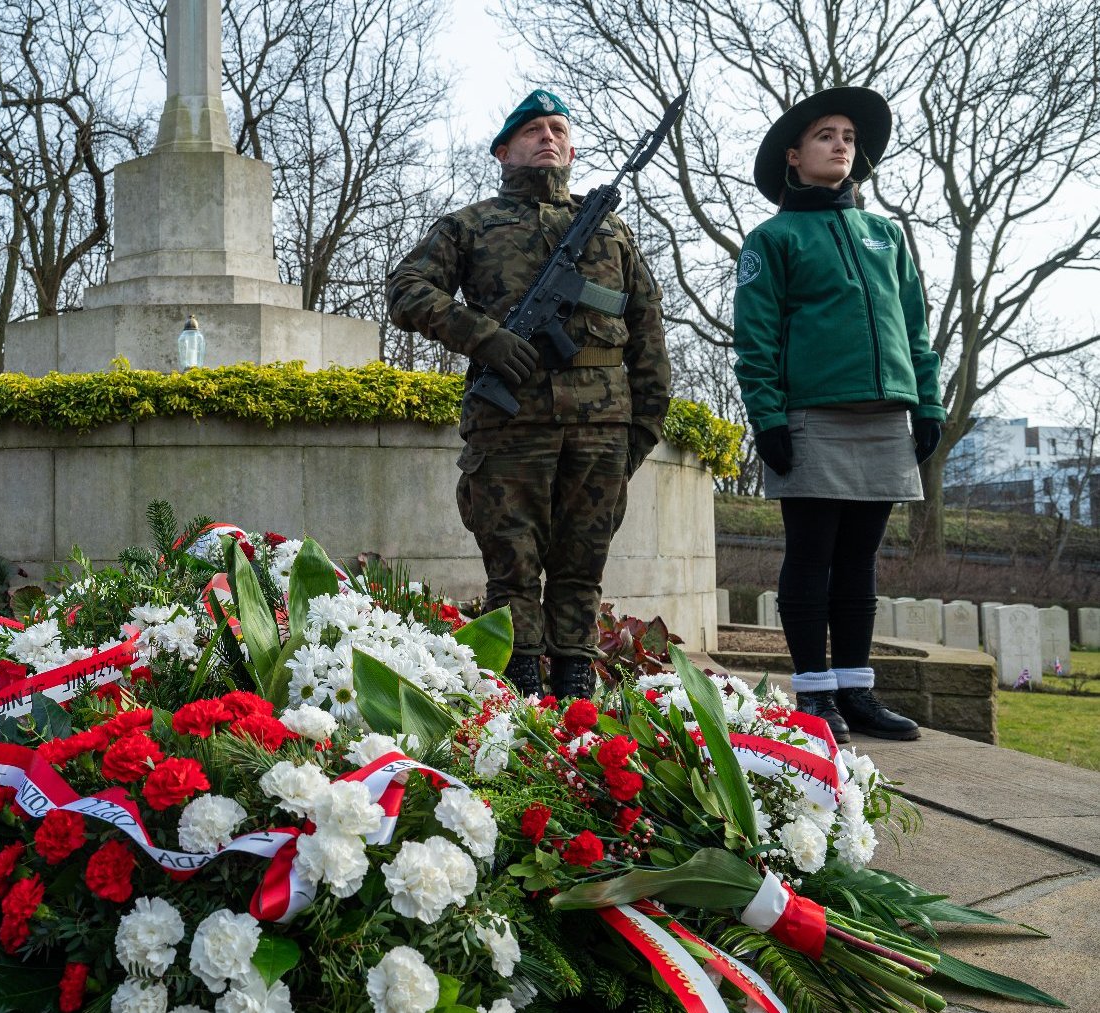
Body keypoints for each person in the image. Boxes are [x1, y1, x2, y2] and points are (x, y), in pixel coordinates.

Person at [388, 89, 669, 699]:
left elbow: (647, 335)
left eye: (558, 129)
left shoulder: (612, 235)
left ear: (571, 147)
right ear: (504, 150)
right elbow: (407, 289)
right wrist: (481, 336)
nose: (548, 137)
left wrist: (640, 431)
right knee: (512, 568)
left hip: (602, 429)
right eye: (533, 130)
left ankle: (574, 687)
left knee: (582, 567)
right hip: (510, 424)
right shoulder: (470, 226)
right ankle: (515, 693)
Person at [733, 87, 939, 741]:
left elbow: (916, 327)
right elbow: (756, 337)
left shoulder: (886, 236)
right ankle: (813, 694)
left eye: (849, 136)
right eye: (826, 135)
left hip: (884, 421)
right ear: (794, 156)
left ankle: (855, 689)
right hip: (814, 418)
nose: (841, 145)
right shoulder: (772, 239)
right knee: (812, 555)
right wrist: (766, 416)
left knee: (860, 563)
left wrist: (929, 402)